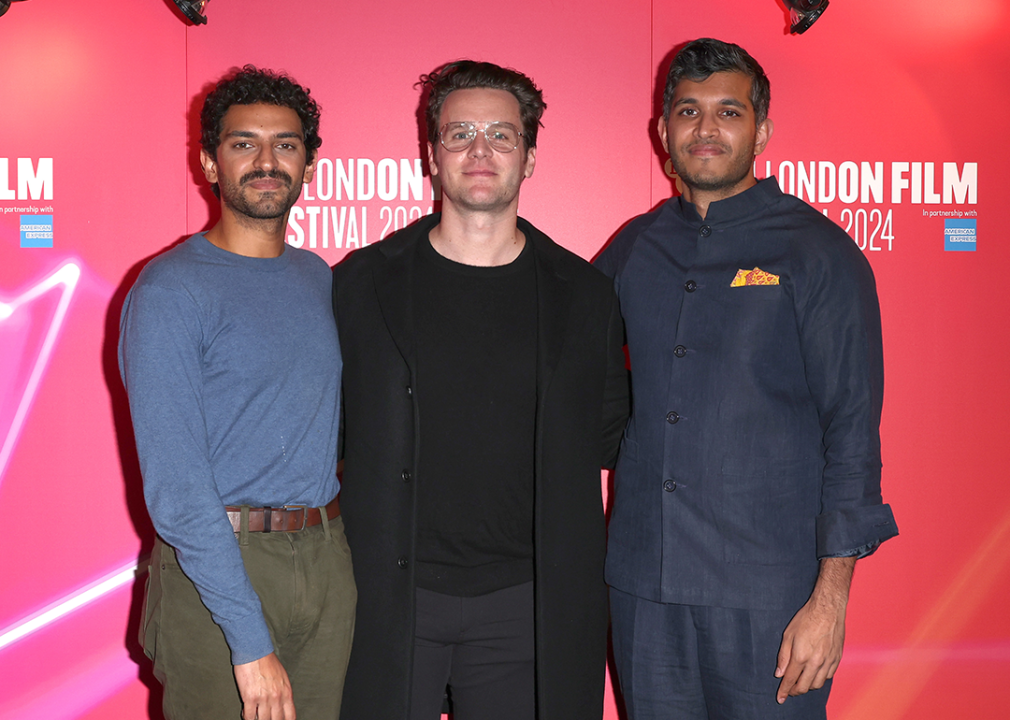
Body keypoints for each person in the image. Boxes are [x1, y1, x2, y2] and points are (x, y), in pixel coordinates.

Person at [595, 38, 899, 720]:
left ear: (761, 130)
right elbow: (560, 369)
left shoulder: (816, 251)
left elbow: (852, 429)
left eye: (728, 112)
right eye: (688, 111)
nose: (706, 129)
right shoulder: (632, 249)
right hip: (646, 590)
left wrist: (830, 599)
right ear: (662, 129)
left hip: (772, 596)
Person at [333, 60, 629, 720]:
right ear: (431, 155)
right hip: (387, 604)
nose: (480, 149)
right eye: (459, 131)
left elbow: (612, 435)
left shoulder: (585, 298)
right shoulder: (360, 286)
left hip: (525, 609)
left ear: (528, 158)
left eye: (502, 133)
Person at [119, 65, 355, 720]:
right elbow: (176, 487)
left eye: (285, 144)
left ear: (308, 164)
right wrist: (248, 641)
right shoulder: (170, 290)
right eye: (243, 142)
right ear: (209, 162)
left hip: (327, 559)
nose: (266, 160)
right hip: (217, 569)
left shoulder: (320, 279)